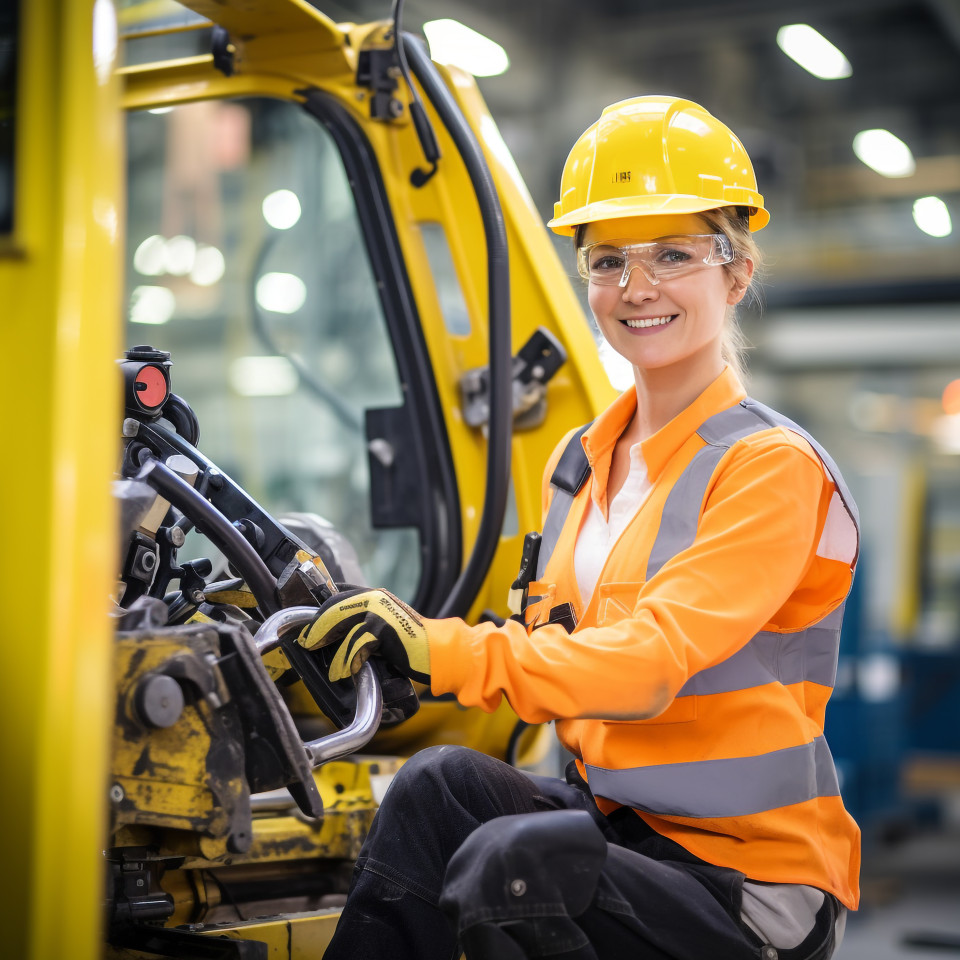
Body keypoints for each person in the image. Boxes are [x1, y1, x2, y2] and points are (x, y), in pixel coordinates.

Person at [304, 96, 861, 960]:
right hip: (617, 828)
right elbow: (550, 643)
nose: (636, 288)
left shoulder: (769, 468)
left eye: (672, 255)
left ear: (736, 273)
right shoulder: (579, 456)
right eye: (608, 262)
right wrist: (396, 642)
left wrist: (442, 650)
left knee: (512, 861)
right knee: (437, 784)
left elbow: (645, 665)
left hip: (748, 882)